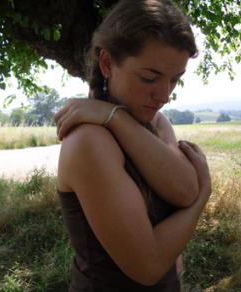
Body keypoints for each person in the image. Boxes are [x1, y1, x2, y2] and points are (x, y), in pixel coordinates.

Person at [55, 0, 212, 291]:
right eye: (149, 77)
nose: (164, 95)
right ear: (107, 64)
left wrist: (114, 118)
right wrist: (203, 198)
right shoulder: (88, 142)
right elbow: (148, 265)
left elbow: (184, 189)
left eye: (174, 80)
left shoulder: (155, 122)